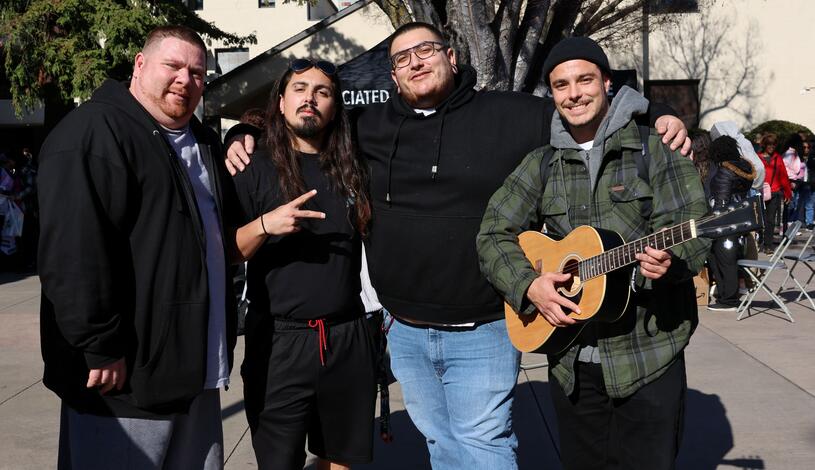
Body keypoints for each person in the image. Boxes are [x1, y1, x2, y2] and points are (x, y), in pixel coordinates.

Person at [224, 22, 691, 470]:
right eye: (402, 57)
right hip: (404, 327)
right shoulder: (367, 126)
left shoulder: (511, 113)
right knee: (440, 441)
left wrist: (656, 114)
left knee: (482, 439)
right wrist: (242, 134)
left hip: (482, 326)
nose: (415, 62)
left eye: (425, 50)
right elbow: (304, 119)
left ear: (451, 56)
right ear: (392, 75)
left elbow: (583, 104)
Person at [476, 36, 709, 469]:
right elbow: (492, 233)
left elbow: (694, 226)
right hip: (572, 364)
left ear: (607, 83)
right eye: (562, 85)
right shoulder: (542, 163)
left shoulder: (654, 148)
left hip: (647, 355)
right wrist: (529, 286)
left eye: (585, 80)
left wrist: (671, 266)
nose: (574, 94)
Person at [38, 25, 241, 470]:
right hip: (123, 383)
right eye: (173, 66)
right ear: (140, 64)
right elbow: (70, 254)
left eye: (198, 73)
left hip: (195, 371)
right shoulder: (94, 132)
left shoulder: (202, 141)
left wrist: (247, 132)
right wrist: (100, 344)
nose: (186, 80)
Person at [231, 59, 377, 470]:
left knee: (344, 459)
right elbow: (224, 251)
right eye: (299, 89)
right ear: (280, 102)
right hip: (279, 340)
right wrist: (265, 224)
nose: (310, 98)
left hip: (346, 335)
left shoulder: (353, 168)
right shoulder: (251, 166)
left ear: (334, 107)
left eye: (322, 92)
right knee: (279, 462)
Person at [705, 136, 756, 311]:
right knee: (731, 258)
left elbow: (721, 202)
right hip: (740, 219)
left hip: (725, 223)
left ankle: (729, 300)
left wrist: (712, 219)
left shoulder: (724, 171)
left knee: (723, 260)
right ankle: (728, 293)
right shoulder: (743, 167)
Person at [757, 133, 791, 253]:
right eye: (769, 144)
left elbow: (784, 177)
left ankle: (768, 245)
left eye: (774, 145)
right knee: (759, 220)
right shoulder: (757, 158)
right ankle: (758, 242)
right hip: (759, 193)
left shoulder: (778, 158)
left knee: (770, 220)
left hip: (775, 192)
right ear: (765, 145)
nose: (772, 147)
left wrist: (787, 193)